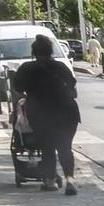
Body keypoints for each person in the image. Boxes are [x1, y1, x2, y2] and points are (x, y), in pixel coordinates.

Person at [12, 34, 80, 195]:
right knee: (65, 147)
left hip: (41, 111)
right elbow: (72, 84)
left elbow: (18, 89)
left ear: (34, 52)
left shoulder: (26, 68)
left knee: (47, 146)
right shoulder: (61, 66)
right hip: (67, 110)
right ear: (50, 51)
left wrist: (27, 98)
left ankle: (50, 181)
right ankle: (70, 179)